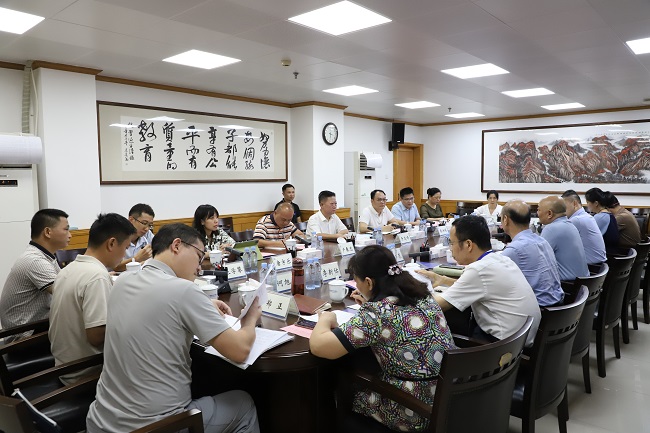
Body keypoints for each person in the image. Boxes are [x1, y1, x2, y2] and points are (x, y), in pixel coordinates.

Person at [86, 223, 261, 433]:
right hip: (155, 426)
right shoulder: (184, 291)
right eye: (199, 256)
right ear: (177, 245)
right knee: (243, 403)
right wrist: (250, 319)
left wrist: (203, 304)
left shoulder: (123, 280)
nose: (199, 268)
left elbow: (155, 305)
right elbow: (240, 350)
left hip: (101, 421)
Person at [309, 245, 455, 432]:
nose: (356, 286)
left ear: (369, 283)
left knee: (341, 376)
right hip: (448, 399)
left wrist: (326, 318)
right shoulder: (424, 296)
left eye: (356, 281)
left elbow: (319, 346)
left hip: (414, 411)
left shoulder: (376, 313)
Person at [416, 215, 540, 346]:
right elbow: (476, 286)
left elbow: (436, 306)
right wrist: (443, 280)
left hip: (503, 347)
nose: (450, 249)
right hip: (522, 338)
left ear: (468, 244)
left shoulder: (479, 270)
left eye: (451, 243)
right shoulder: (500, 259)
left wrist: (410, 292)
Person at [48, 213, 135, 384]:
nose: (124, 255)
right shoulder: (97, 276)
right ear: (111, 243)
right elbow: (96, 337)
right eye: (125, 248)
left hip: (64, 366)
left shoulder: (68, 269)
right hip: (85, 375)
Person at [0, 209, 71, 341]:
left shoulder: (45, 256)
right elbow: (67, 293)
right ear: (48, 232)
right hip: (24, 337)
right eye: (66, 229)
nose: (70, 235)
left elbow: (65, 282)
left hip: (35, 327)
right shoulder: (35, 260)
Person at [499, 200, 564, 307]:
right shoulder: (542, 241)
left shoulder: (514, 249)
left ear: (505, 219)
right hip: (558, 306)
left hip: (539, 309)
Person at [538, 196, 589, 281]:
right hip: (583, 283)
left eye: (538, 210)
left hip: (567, 284)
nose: (537, 213)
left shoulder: (551, 229)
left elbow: (538, 259)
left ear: (550, 214)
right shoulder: (570, 225)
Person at [561, 190, 606, 265]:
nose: (562, 211)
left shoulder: (577, 220)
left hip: (590, 267)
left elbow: (560, 242)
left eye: (564, 207)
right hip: (598, 266)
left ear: (574, 204)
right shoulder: (586, 216)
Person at [114, 203, 155, 272]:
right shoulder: (118, 236)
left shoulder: (148, 235)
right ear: (131, 220)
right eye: (144, 223)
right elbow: (115, 266)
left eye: (150, 225)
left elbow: (158, 253)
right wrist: (136, 259)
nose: (147, 229)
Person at [585, 188, 620, 254]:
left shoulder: (601, 217)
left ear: (596, 203)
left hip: (606, 254)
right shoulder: (608, 214)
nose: (587, 205)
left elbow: (589, 238)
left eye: (588, 202)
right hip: (611, 251)